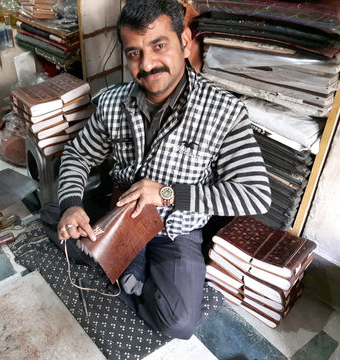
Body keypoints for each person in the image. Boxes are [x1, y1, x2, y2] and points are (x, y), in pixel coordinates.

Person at [57, 0, 271, 339]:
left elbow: (256, 195)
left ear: (184, 42)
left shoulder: (223, 112)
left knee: (179, 322)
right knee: (62, 223)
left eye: (159, 45)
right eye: (134, 53)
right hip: (120, 216)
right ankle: (126, 259)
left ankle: (128, 268)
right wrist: (71, 203)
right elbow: (77, 154)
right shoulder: (112, 102)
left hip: (176, 231)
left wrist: (167, 194)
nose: (148, 64)